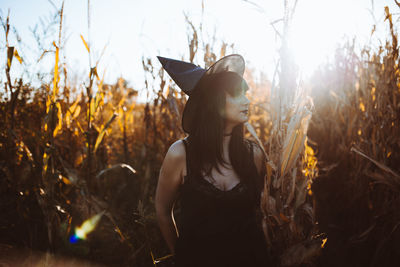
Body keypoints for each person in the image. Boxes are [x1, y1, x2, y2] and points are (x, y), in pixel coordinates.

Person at [155, 54, 269, 267]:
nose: (247, 100)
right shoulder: (180, 154)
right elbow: (162, 211)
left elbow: (261, 214)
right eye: (237, 94)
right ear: (213, 102)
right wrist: (181, 255)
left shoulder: (254, 154)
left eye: (245, 93)